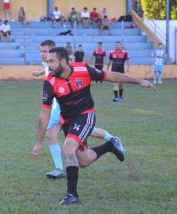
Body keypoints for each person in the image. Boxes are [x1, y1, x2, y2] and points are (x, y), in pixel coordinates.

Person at [32, 46, 156, 205]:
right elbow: (44, 114)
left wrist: (139, 81)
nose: (48, 65)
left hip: (86, 115)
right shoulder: (50, 82)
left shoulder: (83, 69)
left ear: (63, 61)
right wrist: (38, 142)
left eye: (52, 61)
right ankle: (111, 145)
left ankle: (72, 195)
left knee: (68, 147)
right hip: (68, 121)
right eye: (47, 61)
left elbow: (110, 76)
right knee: (84, 161)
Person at [32, 40, 116, 179]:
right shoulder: (49, 65)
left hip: (62, 108)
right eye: (41, 51)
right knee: (77, 139)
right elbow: (47, 74)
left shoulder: (58, 65)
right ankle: (111, 140)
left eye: (45, 51)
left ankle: (59, 169)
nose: (42, 54)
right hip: (59, 108)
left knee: (53, 133)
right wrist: (39, 72)